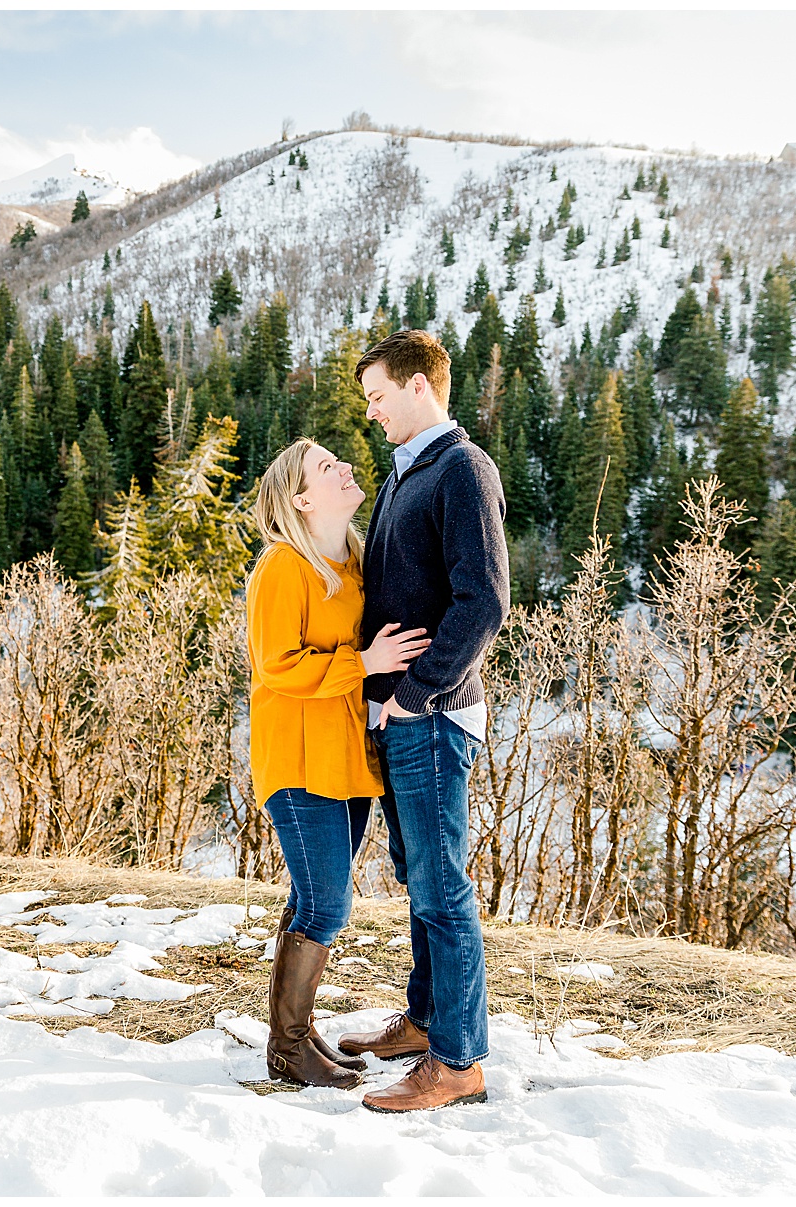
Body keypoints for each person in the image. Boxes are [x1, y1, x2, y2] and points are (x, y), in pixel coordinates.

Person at [339, 329, 510, 1113]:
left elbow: (486, 600)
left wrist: (417, 693)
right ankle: (425, 1019)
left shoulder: (462, 468)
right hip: (399, 716)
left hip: (433, 717)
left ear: (419, 387)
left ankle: (460, 1061)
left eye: (378, 395)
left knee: (444, 889)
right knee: (420, 882)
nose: (371, 412)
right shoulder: (407, 470)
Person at [245, 437, 430, 1089]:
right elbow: (276, 665)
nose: (345, 466)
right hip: (297, 762)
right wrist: (365, 662)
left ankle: (294, 1038)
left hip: (345, 760)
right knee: (326, 903)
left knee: (309, 898)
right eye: (327, 467)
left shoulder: (350, 562)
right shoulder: (284, 565)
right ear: (301, 498)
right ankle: (287, 1047)